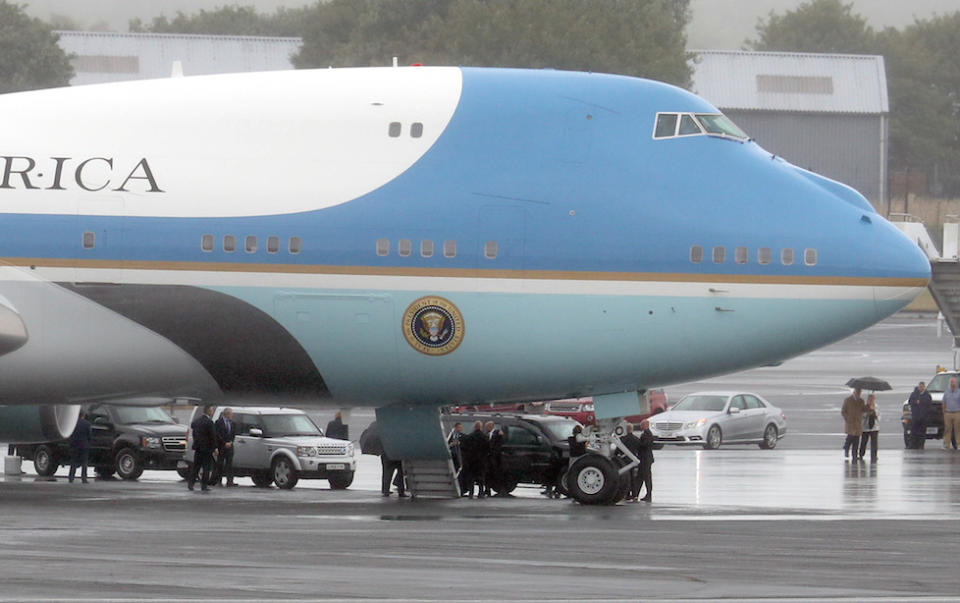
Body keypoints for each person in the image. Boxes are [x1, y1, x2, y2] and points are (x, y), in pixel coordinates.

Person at [188, 405, 217, 491]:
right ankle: (204, 485)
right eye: (211, 410)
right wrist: (215, 447)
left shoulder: (197, 421)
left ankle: (191, 484)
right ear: (208, 411)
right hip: (207, 449)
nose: (212, 412)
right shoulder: (209, 422)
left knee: (196, 467)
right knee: (206, 468)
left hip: (198, 448)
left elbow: (194, 432)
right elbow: (212, 436)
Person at [459, 421, 489, 498]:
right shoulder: (485, 437)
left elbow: (465, 447)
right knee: (481, 477)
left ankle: (471, 493)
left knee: (471, 477)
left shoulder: (470, 437)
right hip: (481, 460)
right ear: (481, 427)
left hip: (471, 460)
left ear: (475, 427)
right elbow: (488, 449)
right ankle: (480, 492)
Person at [619, 423, 643, 502]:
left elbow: (618, 449)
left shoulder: (623, 439)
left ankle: (626, 494)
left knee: (626, 479)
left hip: (625, 460)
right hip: (633, 460)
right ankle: (634, 495)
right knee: (632, 478)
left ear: (626, 429)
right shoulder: (636, 439)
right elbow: (640, 448)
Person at [67, 410, 92, 484]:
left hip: (75, 444)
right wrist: (89, 443)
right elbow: (89, 435)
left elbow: (70, 434)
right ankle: (84, 478)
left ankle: (71, 478)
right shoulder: (87, 424)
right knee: (84, 462)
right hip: (84, 445)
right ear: (83, 415)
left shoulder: (73, 423)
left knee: (73, 462)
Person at [841, 388, 865, 460]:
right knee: (850, 437)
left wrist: (870, 406)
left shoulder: (861, 401)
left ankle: (854, 455)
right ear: (854, 392)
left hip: (857, 423)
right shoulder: (847, 400)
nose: (858, 394)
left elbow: (864, 409)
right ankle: (846, 448)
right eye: (857, 393)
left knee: (856, 440)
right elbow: (843, 411)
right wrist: (847, 418)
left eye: (859, 393)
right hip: (850, 423)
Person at [908, 382, 932, 449]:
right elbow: (910, 402)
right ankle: (912, 445)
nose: (921, 388)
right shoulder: (914, 394)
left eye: (922, 387)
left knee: (922, 432)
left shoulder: (927, 395)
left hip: (923, 417)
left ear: (924, 387)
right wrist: (916, 402)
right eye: (920, 386)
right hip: (915, 417)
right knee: (913, 432)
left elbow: (929, 405)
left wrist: (921, 402)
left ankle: (921, 445)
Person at [215, 407, 236, 487]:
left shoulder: (232, 423)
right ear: (226, 414)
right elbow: (217, 434)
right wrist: (224, 443)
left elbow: (233, 434)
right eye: (231, 414)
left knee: (229, 464)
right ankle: (218, 480)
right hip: (221, 447)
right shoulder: (218, 422)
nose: (231, 415)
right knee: (220, 464)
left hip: (230, 447)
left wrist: (230, 442)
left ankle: (230, 481)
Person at [636, 419, 655, 502]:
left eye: (642, 425)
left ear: (646, 425)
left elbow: (645, 445)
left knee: (645, 478)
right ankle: (638, 494)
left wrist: (638, 443)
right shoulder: (648, 434)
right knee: (643, 477)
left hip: (645, 459)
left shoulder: (647, 434)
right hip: (647, 459)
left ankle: (647, 495)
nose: (641, 426)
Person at [858, 394, 879, 462]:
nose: (871, 401)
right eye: (869, 399)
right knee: (864, 441)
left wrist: (874, 412)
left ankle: (874, 455)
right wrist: (867, 413)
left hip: (874, 427)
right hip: (865, 427)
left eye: (872, 399)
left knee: (874, 443)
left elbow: (879, 417)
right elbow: (862, 416)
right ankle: (861, 454)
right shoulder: (864, 407)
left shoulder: (876, 407)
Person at [942, 378, 960, 451]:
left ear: (956, 383)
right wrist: (944, 412)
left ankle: (958, 444)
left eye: (954, 382)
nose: (952, 384)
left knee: (957, 429)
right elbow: (943, 402)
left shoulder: (959, 392)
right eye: (951, 382)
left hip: (957, 413)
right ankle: (946, 445)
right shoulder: (947, 392)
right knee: (947, 429)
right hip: (948, 413)